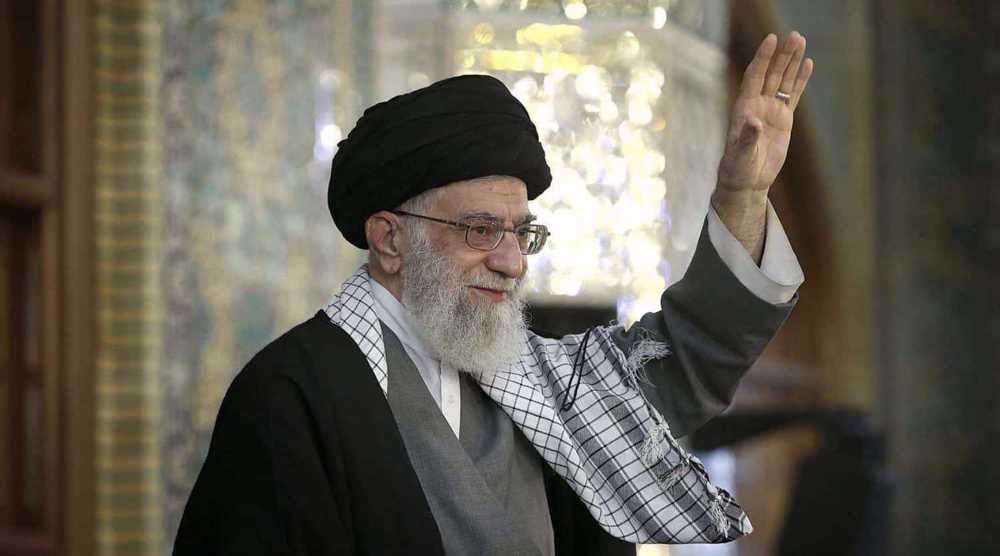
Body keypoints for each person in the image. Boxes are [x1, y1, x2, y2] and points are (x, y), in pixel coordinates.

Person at [173, 32, 813, 556]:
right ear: (391, 240)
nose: (510, 262)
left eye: (521, 232)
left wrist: (742, 196)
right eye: (480, 230)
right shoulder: (290, 397)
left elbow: (689, 354)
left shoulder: (548, 384)